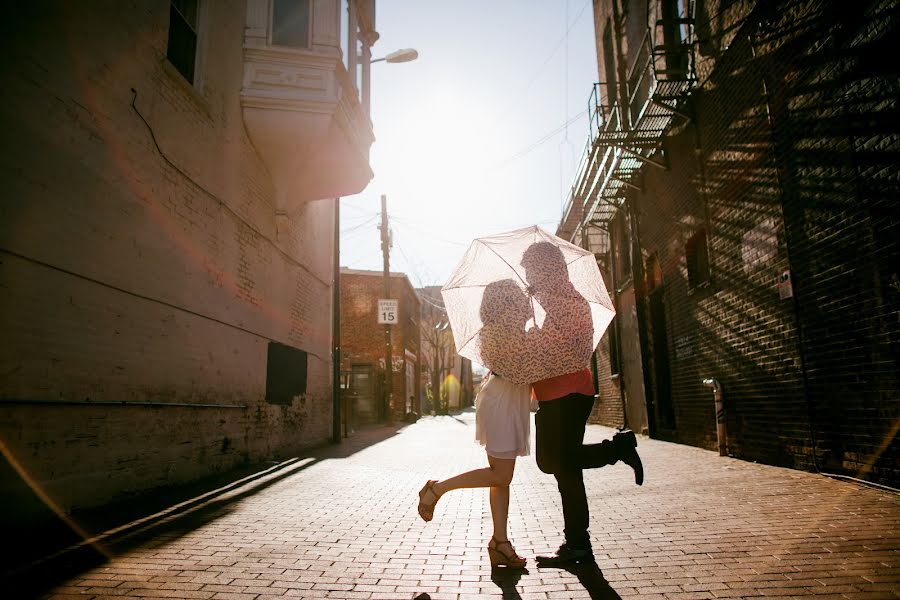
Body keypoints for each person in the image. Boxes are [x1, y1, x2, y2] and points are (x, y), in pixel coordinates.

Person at [521, 241, 644, 567]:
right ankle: (577, 545)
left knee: (554, 462)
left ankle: (617, 450)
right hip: (557, 396)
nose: (527, 276)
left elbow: (570, 352)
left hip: (568, 395)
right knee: (565, 468)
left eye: (530, 269)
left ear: (545, 268)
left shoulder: (567, 300)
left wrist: (532, 336)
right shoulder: (548, 301)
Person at [417, 279, 532, 569]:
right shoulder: (494, 333)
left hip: (508, 403)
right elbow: (513, 369)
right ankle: (437, 489)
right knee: (500, 475)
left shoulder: (514, 331)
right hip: (501, 404)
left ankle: (500, 542)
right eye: (516, 298)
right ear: (505, 304)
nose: (521, 302)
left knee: (500, 477)